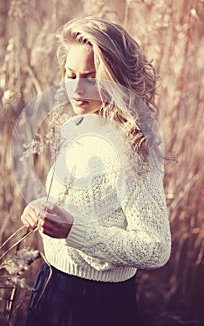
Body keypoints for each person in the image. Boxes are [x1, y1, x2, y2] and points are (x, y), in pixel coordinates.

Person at [21, 16, 171, 326]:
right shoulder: (73, 128)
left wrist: (74, 230)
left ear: (116, 78)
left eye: (90, 77)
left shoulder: (134, 152)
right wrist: (41, 208)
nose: (76, 89)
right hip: (49, 284)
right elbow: (71, 201)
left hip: (96, 305)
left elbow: (156, 248)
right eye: (70, 74)